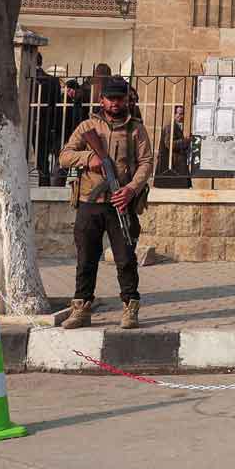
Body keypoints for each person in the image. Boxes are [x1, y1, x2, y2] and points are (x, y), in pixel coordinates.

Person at [58, 77, 152, 330]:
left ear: (127, 99)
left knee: (125, 258)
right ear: (102, 100)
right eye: (110, 98)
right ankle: (81, 308)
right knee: (86, 257)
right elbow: (65, 156)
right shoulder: (88, 126)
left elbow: (146, 163)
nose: (115, 103)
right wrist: (90, 158)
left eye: (120, 98)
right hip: (90, 201)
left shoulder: (136, 129)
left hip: (122, 202)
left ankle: (130, 306)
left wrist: (132, 189)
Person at [31, 62, 64, 187]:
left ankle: (44, 182)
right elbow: (57, 105)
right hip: (49, 124)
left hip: (36, 124)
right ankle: (49, 182)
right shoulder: (53, 81)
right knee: (47, 158)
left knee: (41, 158)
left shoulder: (32, 78)